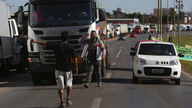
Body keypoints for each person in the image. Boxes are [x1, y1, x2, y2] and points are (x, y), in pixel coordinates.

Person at [30, 31, 78, 108]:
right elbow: (75, 57)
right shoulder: (71, 46)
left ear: (60, 38)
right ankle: (68, 99)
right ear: (67, 38)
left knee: (60, 86)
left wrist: (35, 41)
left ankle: (62, 102)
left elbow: (45, 43)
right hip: (68, 69)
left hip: (59, 69)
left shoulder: (56, 45)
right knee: (69, 85)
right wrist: (76, 67)